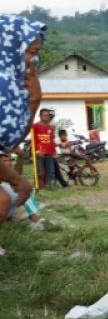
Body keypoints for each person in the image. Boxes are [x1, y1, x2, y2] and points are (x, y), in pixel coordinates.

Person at [0, 15, 46, 228]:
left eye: (35, 54)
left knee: (5, 198)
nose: (32, 61)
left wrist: (34, 100)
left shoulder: (11, 89)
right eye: (30, 52)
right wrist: (17, 180)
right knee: (3, 199)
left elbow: (10, 141)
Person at [31, 108, 68, 188]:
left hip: (49, 153)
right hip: (39, 153)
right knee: (40, 171)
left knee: (50, 171)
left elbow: (51, 140)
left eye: (47, 115)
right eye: (44, 115)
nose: (46, 117)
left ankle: (48, 186)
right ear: (40, 116)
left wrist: (54, 151)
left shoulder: (50, 127)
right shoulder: (35, 126)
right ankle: (39, 186)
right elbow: (33, 140)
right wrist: (37, 151)